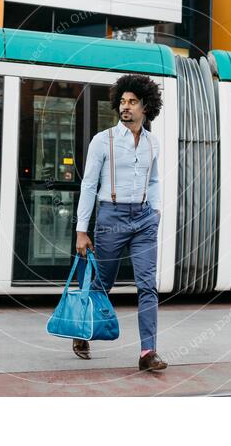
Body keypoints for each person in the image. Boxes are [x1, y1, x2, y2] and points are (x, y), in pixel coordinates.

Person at [73, 74, 167, 372]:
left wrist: (155, 211)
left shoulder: (153, 143)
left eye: (133, 102)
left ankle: (148, 352)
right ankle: (81, 331)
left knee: (147, 286)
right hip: (111, 217)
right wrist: (81, 230)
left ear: (146, 107)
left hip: (143, 219)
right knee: (103, 282)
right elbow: (88, 185)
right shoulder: (103, 141)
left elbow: (153, 181)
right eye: (123, 101)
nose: (126, 107)